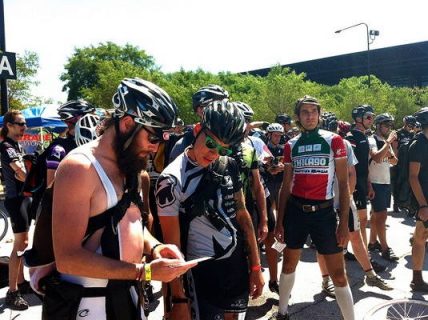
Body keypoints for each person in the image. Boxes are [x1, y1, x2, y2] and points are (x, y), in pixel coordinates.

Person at [49, 78, 195, 320]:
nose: (156, 147)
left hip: (128, 297)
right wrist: (145, 273)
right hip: (89, 305)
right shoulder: (80, 168)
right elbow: (67, 259)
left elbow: (130, 223)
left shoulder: (130, 166)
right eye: (154, 137)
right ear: (127, 124)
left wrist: (155, 247)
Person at [157, 100, 264, 320]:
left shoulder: (229, 164)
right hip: (200, 275)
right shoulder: (171, 179)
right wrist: (178, 299)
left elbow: (242, 216)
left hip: (234, 266)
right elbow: (172, 248)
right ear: (197, 130)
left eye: (225, 148)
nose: (215, 154)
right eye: (211, 143)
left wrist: (255, 267)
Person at [273, 96, 354, 320]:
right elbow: (285, 186)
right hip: (295, 213)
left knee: (338, 274)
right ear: (298, 117)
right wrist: (279, 222)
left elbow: (343, 183)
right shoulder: (291, 145)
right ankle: (282, 312)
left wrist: (344, 223)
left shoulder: (334, 140)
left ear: (319, 114)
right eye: (304, 112)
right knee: (288, 263)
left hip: (324, 214)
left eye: (313, 111)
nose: (309, 116)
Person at [317, 117, 392, 298]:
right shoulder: (316, 145)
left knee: (356, 237)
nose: (332, 130)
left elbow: (353, 173)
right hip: (322, 202)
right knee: (322, 245)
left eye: (334, 127)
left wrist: (347, 197)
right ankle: (326, 282)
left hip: (344, 200)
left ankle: (370, 275)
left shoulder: (344, 144)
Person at [0, 110, 30, 310]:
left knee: (23, 243)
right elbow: (21, 174)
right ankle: (12, 292)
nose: (23, 127)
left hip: (23, 198)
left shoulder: (16, 145)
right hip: (15, 199)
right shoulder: (6, 146)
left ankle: (21, 282)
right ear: (9, 125)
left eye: (24, 124)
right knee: (20, 244)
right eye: (20, 124)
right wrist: (32, 173)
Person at [168, 84, 229, 162]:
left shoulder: (230, 136)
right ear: (199, 110)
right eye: (217, 106)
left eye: (225, 106)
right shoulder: (183, 144)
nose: (223, 110)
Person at [367, 113, 399, 262]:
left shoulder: (385, 141)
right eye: (386, 125)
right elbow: (377, 158)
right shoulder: (372, 139)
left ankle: (373, 242)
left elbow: (394, 162)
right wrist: (388, 143)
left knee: (375, 215)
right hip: (375, 182)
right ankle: (385, 248)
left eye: (390, 125)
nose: (388, 128)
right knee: (381, 217)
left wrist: (389, 147)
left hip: (385, 182)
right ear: (378, 125)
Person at [409, 107, 428, 292]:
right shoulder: (419, 145)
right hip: (424, 199)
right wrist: (423, 205)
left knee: (422, 236)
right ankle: (416, 279)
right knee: (421, 237)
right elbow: (413, 177)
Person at [391, 115, 416, 212]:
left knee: (408, 183)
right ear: (405, 123)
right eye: (409, 125)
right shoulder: (398, 133)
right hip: (399, 162)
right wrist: (395, 162)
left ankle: (407, 202)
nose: (411, 127)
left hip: (409, 162)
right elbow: (394, 148)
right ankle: (396, 203)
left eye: (412, 125)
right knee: (397, 182)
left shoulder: (412, 135)